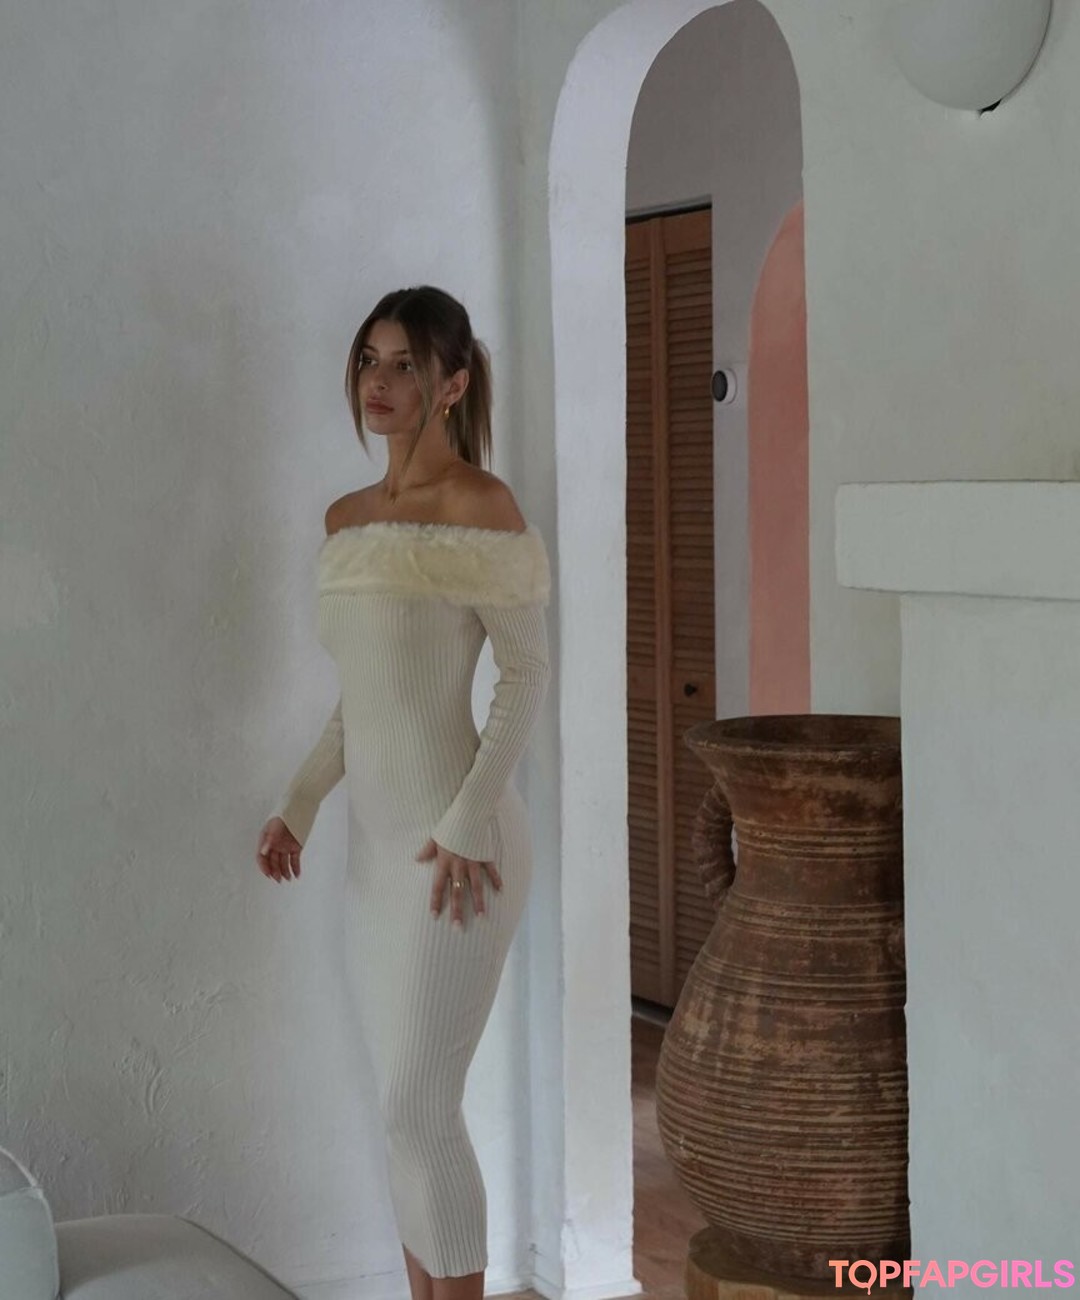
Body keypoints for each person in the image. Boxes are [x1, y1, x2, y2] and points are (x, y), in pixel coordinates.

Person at [255, 285, 551, 1300]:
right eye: (367, 361)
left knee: (420, 1109)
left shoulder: (481, 507)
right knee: (399, 1109)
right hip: (375, 857)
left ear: (452, 384)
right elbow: (365, 700)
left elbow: (525, 675)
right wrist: (300, 804)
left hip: (459, 849)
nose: (377, 383)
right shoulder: (345, 522)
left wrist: (467, 819)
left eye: (404, 366)